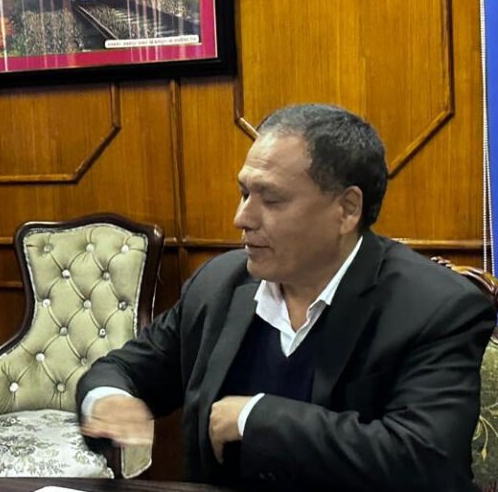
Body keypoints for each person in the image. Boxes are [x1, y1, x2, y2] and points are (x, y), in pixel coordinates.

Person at [77, 103, 494, 491]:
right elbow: (122, 370)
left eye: (271, 199)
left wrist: (255, 417)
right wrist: (110, 399)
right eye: (244, 193)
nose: (242, 218)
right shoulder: (219, 284)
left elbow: (426, 459)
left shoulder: (436, 307)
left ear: (347, 209)